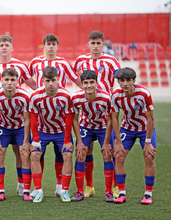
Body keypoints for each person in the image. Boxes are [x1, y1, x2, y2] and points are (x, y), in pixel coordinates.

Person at [0, 35, 36, 197]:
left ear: (12, 47)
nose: (4, 47)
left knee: (21, 152)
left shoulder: (21, 66)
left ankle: (21, 185)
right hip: (0, 116)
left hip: (18, 117)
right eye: (1, 45)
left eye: (7, 44)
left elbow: (34, 86)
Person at [29, 33, 82, 197]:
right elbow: (26, 78)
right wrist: (37, 94)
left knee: (63, 155)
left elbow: (77, 80)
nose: (51, 46)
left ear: (57, 46)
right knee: (38, 154)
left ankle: (60, 187)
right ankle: (37, 189)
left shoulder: (64, 63)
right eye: (48, 43)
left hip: (60, 110)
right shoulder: (35, 62)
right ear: (43, 46)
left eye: (53, 43)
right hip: (42, 111)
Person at [72, 30, 121, 199]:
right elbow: (73, 75)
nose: (95, 46)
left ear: (103, 44)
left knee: (109, 152)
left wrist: (112, 94)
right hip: (87, 112)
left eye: (98, 43)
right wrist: (85, 90)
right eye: (92, 43)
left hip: (105, 109)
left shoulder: (111, 60)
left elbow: (120, 78)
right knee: (84, 152)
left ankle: (114, 188)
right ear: (88, 44)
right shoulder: (80, 60)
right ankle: (89, 187)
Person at [111, 67, 156, 204]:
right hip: (127, 128)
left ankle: (148, 194)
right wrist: (118, 141)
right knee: (118, 155)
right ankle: (122, 193)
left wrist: (147, 142)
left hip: (144, 128)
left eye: (128, 80)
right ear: (118, 82)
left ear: (134, 81)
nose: (125, 84)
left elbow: (150, 119)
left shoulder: (144, 94)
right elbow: (114, 118)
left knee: (149, 156)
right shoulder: (115, 95)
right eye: (122, 81)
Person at [29, 66, 74, 203]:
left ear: (58, 79)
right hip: (43, 131)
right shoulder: (36, 96)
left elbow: (69, 118)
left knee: (67, 155)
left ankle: (63, 190)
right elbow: (33, 118)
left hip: (61, 132)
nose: (51, 84)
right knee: (35, 155)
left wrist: (67, 139)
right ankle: (38, 190)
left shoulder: (66, 96)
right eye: (48, 80)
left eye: (53, 80)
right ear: (42, 80)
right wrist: (35, 139)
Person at [71, 70, 115, 203]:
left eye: (92, 82)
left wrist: (106, 142)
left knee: (108, 154)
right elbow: (74, 119)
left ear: (97, 83)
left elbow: (110, 120)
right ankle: (82, 190)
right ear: (82, 84)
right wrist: (78, 141)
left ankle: (109, 192)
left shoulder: (106, 97)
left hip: (103, 128)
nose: (89, 85)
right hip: (86, 127)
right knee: (80, 154)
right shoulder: (76, 98)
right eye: (86, 83)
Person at [0, 68, 32, 201]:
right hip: (4, 128)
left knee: (24, 154)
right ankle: (0, 191)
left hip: (20, 127)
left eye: (12, 80)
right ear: (1, 81)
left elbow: (27, 119)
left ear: (17, 81)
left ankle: (24, 190)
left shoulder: (24, 96)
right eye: (6, 79)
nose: (9, 83)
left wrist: (26, 141)